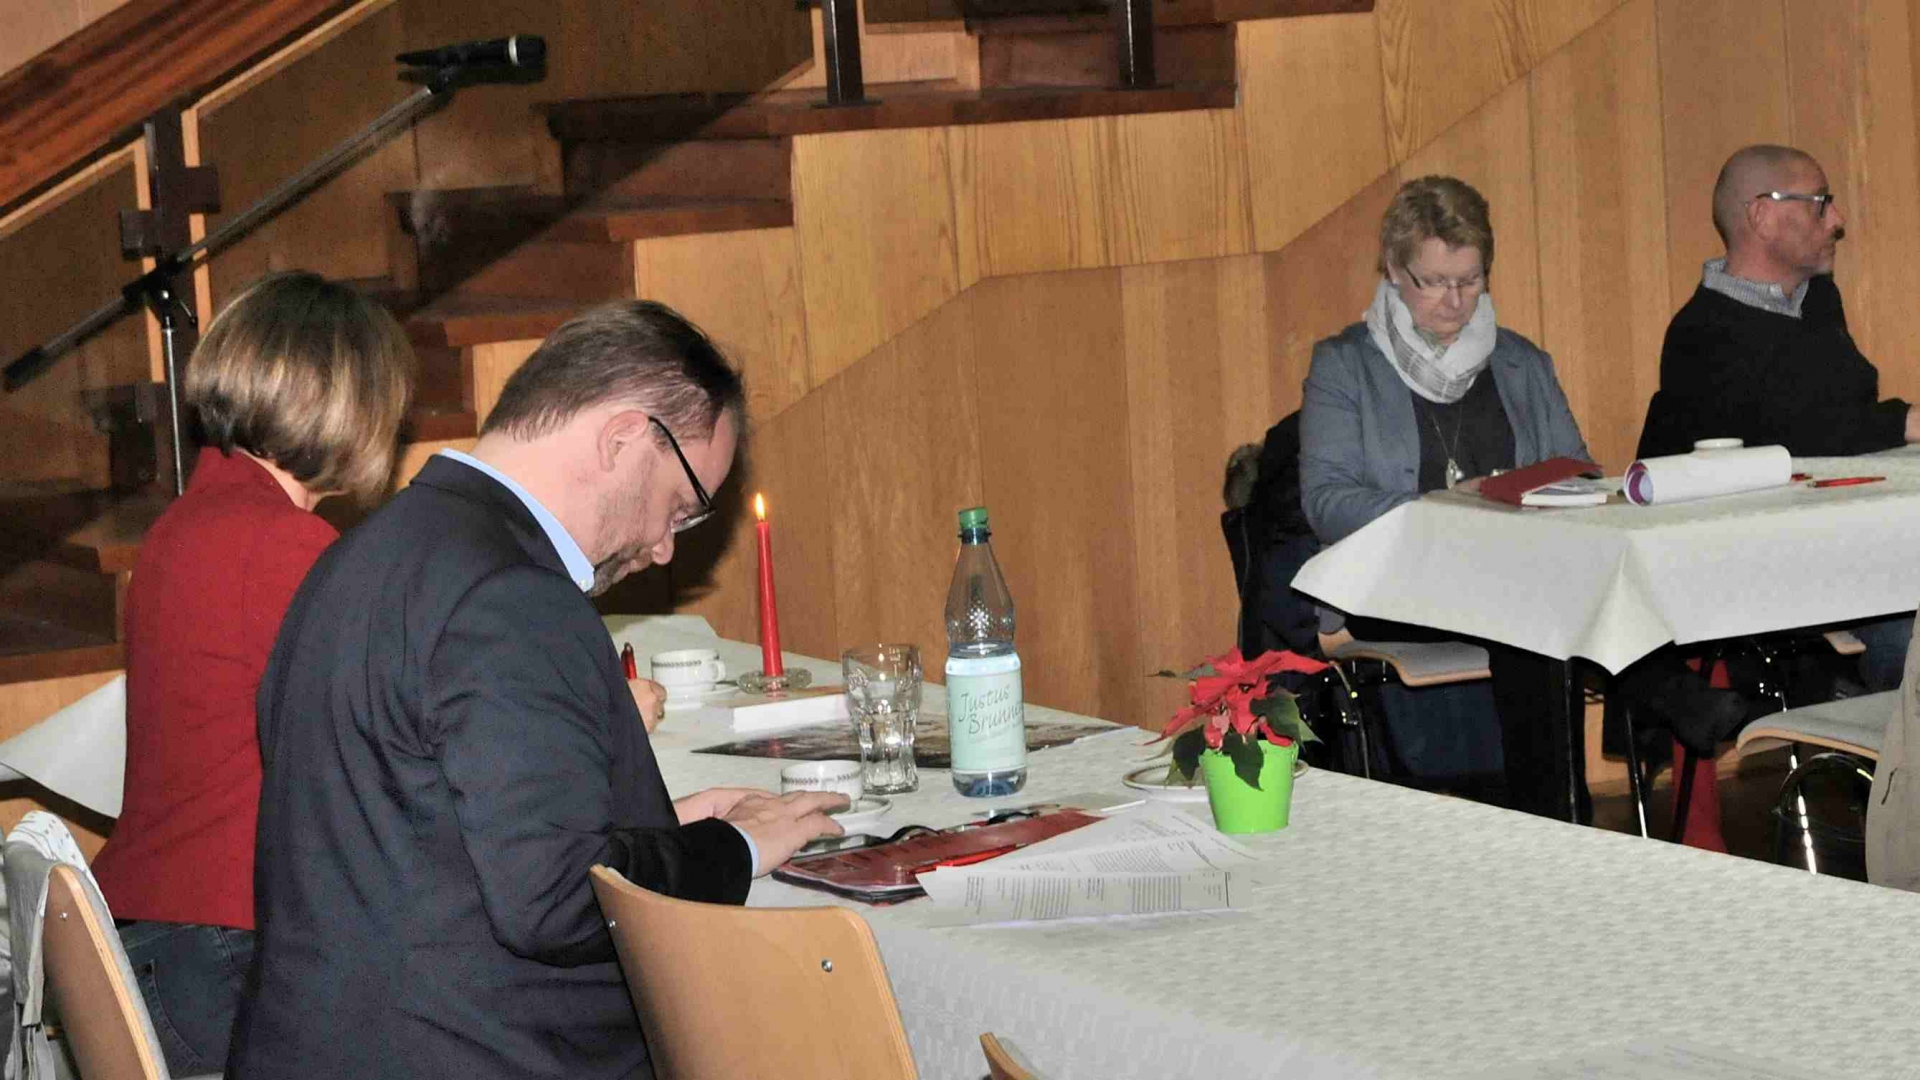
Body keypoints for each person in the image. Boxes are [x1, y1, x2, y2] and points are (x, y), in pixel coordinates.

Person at [225, 300, 846, 1080]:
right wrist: (735, 847)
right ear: (624, 438)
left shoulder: (361, 555)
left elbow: (403, 829)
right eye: (679, 507)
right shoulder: (511, 594)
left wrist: (650, 830)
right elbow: (555, 904)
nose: (663, 549)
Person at [88, 272, 416, 1076]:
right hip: (218, 958)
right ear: (345, 407)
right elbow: (399, 735)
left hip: (148, 943)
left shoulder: (189, 521)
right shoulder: (281, 544)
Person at [1296, 175, 1598, 816]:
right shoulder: (1345, 365)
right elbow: (1325, 502)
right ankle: (1555, 820)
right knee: (1534, 613)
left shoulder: (1521, 362)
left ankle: (1554, 817)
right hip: (1393, 583)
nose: (1455, 301)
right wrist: (1441, 508)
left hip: (1511, 572)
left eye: (1470, 280)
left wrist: (1548, 494)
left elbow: (1581, 473)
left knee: (1562, 596)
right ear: (1393, 270)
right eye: (1434, 281)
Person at [1639, 144, 1912, 692]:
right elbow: (1790, 439)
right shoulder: (1700, 336)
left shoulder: (1818, 303)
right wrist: (1905, 422)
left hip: (1857, 541)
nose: (1837, 219)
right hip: (1777, 570)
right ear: (1762, 215)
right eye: (1820, 203)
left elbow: (1843, 414)